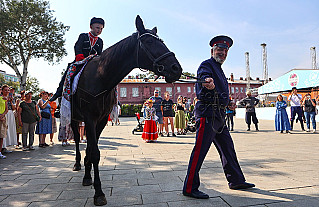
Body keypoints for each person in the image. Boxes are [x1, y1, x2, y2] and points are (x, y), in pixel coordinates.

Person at [183, 35, 254, 199]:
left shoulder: (220, 69)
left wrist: (227, 102)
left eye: (225, 50)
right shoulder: (206, 65)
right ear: (212, 50)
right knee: (199, 152)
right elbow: (204, 78)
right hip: (207, 115)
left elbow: (220, 91)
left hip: (219, 116)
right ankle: (189, 187)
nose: (222, 52)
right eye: (219, 49)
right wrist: (207, 82)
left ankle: (236, 180)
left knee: (228, 149)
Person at [50, 17, 105, 102]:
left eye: (101, 29)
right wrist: (80, 58)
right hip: (80, 61)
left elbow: (99, 54)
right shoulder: (83, 36)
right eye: (97, 28)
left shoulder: (100, 41)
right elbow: (77, 47)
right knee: (68, 73)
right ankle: (58, 92)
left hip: (93, 64)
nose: (99, 30)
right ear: (91, 27)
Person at [2, 85, 17, 151]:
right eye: (6, 90)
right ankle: (2, 146)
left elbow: (14, 108)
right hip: (3, 114)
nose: (7, 91)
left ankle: (7, 145)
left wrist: (10, 101)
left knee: (9, 130)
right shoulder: (1, 97)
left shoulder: (11, 98)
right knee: (4, 130)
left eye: (8, 90)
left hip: (10, 113)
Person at [0, 85, 8, 159]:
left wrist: (2, 115)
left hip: (2, 118)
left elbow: (6, 109)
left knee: (1, 136)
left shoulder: (4, 99)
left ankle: (0, 152)